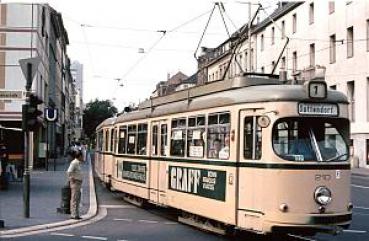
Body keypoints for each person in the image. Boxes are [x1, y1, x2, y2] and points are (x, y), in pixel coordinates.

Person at [67, 150, 84, 219]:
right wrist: (72, 178)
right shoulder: (74, 163)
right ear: (79, 156)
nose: (83, 157)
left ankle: (76, 214)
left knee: (77, 198)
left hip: (78, 183)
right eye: (82, 156)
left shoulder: (78, 163)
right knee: (74, 198)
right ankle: (73, 214)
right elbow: (69, 172)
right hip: (75, 183)